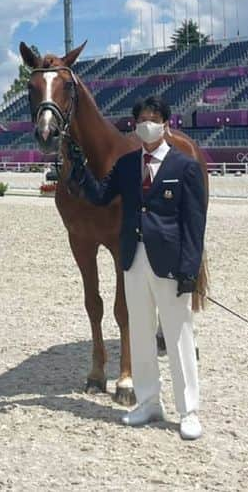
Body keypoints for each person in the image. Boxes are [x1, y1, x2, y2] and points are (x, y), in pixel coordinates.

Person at [72, 96, 206, 440]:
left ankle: (188, 409)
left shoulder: (184, 166)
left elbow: (195, 224)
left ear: (166, 124)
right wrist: (78, 170)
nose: (148, 124)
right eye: (143, 119)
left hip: (170, 262)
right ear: (135, 125)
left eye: (154, 118)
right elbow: (101, 196)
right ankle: (148, 402)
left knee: (177, 336)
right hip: (133, 258)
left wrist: (189, 268)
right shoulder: (129, 164)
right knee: (142, 333)